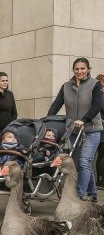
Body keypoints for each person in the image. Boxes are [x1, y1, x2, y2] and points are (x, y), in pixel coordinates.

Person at [48, 57, 103, 202]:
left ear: (88, 69)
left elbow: (98, 105)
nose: (80, 71)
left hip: (91, 130)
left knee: (84, 162)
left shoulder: (95, 84)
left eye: (83, 68)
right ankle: (92, 193)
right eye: (77, 69)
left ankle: (78, 195)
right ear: (73, 70)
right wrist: (48, 121)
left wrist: (84, 120)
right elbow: (56, 104)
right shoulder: (66, 86)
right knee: (80, 163)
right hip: (73, 131)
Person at [0, 72, 17, 137]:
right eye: (2, 81)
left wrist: (12, 125)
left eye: (6, 80)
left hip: (9, 127)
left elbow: (14, 112)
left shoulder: (10, 94)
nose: (5, 82)